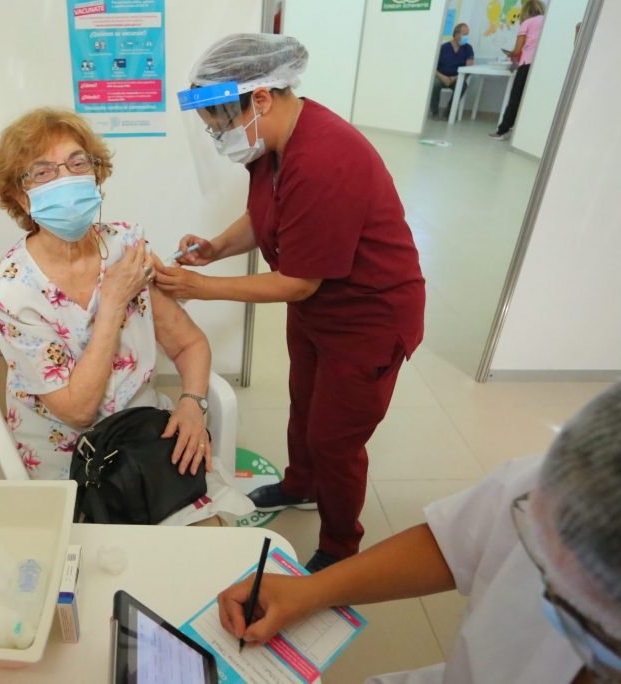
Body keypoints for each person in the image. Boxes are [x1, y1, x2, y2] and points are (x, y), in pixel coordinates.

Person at [218, 353, 621, 683]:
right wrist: (309, 590)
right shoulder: (578, 485)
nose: (547, 592)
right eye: (542, 561)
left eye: (591, 626)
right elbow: (457, 540)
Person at [155, 34, 425, 572]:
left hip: (368, 317)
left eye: (220, 124)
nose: (218, 137)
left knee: (335, 439)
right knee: (304, 407)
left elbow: (300, 282)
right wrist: (215, 249)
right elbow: (267, 217)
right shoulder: (271, 145)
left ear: (260, 99)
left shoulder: (326, 156)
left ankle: (341, 545)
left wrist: (199, 288)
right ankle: (300, 486)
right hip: (319, 313)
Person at [0, 108, 213, 481]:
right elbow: (77, 411)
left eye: (77, 163)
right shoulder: (10, 289)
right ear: (21, 198)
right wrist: (112, 302)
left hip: (142, 430)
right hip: (70, 458)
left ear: (96, 174)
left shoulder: (128, 247)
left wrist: (193, 403)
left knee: (201, 528)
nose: (66, 180)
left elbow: (190, 345)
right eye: (43, 172)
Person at [491, 0, 546, 140]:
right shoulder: (546, 21)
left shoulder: (527, 23)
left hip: (526, 64)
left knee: (515, 98)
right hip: (541, 65)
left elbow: (517, 50)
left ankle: (502, 131)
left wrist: (510, 53)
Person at [431, 23, 475, 119]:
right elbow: (432, 66)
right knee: (434, 84)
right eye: (464, 35)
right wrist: (443, 77)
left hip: (456, 78)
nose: (466, 38)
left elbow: (468, 69)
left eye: (467, 35)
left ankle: (449, 112)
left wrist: (454, 78)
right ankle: (434, 112)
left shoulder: (468, 48)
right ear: (456, 34)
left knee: (463, 86)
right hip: (440, 76)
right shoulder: (443, 48)